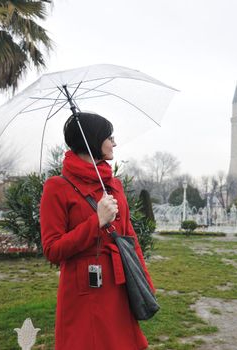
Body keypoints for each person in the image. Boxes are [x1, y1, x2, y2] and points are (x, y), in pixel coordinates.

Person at [40, 112, 154, 350]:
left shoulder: (114, 185)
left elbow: (128, 238)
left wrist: (143, 281)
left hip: (119, 285)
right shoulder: (57, 187)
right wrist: (97, 221)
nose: (114, 143)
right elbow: (52, 249)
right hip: (83, 291)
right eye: (109, 137)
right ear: (93, 140)